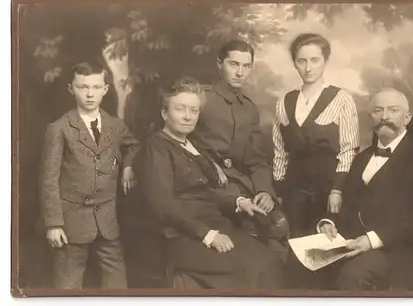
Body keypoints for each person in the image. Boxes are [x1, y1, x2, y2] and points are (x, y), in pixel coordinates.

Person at [133, 77, 286, 289]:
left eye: (194, 111)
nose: (188, 117)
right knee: (247, 267)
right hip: (180, 236)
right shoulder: (156, 148)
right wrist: (207, 235)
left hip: (213, 224)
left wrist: (238, 202)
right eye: (180, 109)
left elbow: (205, 192)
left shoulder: (191, 146)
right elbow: (162, 204)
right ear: (164, 114)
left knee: (268, 259)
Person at [316, 88, 413, 291]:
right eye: (378, 111)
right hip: (354, 243)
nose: (384, 117)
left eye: (393, 110)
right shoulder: (362, 158)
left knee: (353, 276)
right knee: (306, 265)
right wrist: (329, 221)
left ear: (407, 118)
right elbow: (349, 203)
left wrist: (372, 240)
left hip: (402, 248)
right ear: (370, 117)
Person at [39, 61, 140, 289]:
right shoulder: (59, 128)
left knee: (117, 285)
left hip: (107, 220)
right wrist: (54, 223)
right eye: (83, 87)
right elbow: (49, 180)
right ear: (71, 89)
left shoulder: (114, 125)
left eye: (95, 87)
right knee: (68, 285)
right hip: (71, 223)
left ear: (105, 89)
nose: (90, 94)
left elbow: (134, 146)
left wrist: (128, 167)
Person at [189, 39, 289, 261]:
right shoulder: (200, 98)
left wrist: (264, 191)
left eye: (246, 66)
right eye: (233, 64)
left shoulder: (248, 109)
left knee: (278, 228)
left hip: (241, 184)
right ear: (219, 64)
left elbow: (256, 159)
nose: (239, 72)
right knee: (249, 235)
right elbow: (177, 143)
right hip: (204, 183)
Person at [273, 33, 360, 238]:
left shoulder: (341, 99)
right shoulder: (284, 102)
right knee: (293, 247)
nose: (308, 68)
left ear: (325, 61)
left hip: (329, 194)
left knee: (324, 249)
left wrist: (337, 190)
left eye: (314, 60)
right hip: (293, 194)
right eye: (301, 61)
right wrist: (279, 190)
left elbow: (349, 150)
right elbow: (280, 152)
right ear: (294, 63)